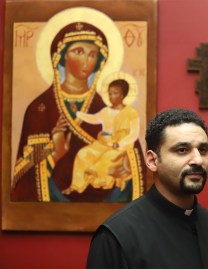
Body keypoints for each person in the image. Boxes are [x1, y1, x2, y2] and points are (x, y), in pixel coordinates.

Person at [12, 22, 145, 202]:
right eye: (79, 52)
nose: (86, 61)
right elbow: (25, 178)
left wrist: (127, 164)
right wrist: (54, 154)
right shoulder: (41, 107)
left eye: (92, 55)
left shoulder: (107, 107)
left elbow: (133, 152)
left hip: (109, 204)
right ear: (61, 56)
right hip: (54, 207)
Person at [86, 108, 208, 269]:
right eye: (182, 150)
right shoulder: (116, 236)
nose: (198, 160)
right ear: (152, 161)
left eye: (203, 150)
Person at [62, 79, 141, 195]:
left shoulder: (131, 113)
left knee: (105, 160)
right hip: (103, 144)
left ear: (122, 95)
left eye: (115, 93)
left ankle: (99, 187)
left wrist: (120, 143)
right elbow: (93, 118)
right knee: (82, 154)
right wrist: (77, 113)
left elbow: (134, 134)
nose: (111, 96)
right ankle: (76, 186)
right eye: (110, 93)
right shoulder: (106, 111)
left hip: (119, 147)